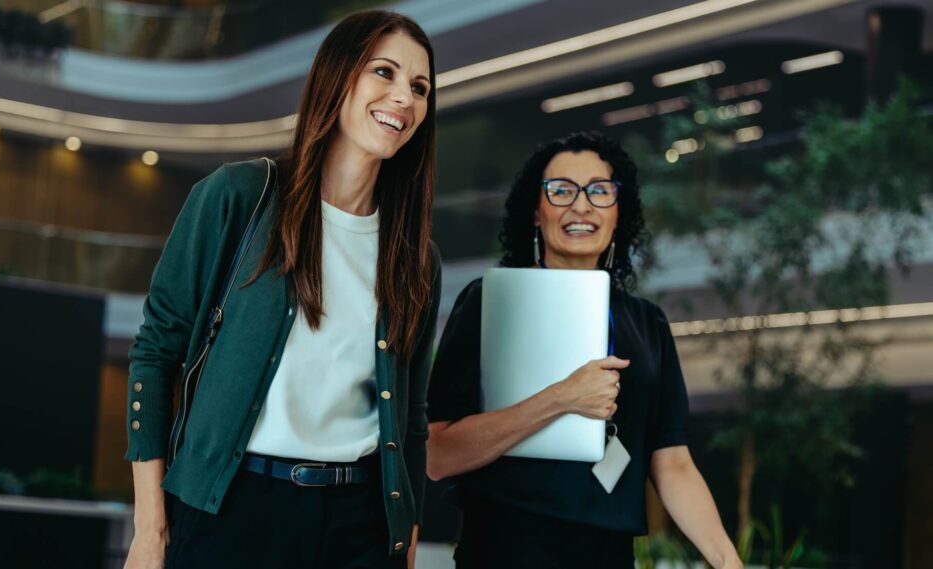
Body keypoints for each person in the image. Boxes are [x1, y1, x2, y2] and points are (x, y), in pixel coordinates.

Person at [123, 11, 440, 569]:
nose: (404, 99)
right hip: (235, 508)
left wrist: (405, 532)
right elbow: (155, 353)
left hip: (359, 522)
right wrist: (150, 529)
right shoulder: (238, 197)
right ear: (336, 78)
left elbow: (411, 415)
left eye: (419, 87)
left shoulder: (416, 258)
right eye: (384, 73)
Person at [426, 131, 742, 569]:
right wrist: (562, 398)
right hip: (505, 550)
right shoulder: (490, 303)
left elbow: (672, 464)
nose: (581, 205)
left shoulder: (647, 323)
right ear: (536, 213)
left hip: (608, 555)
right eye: (560, 191)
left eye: (599, 191)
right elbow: (438, 455)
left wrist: (727, 561)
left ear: (618, 212)